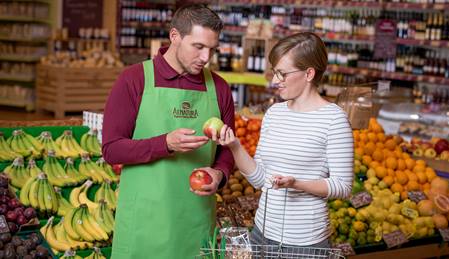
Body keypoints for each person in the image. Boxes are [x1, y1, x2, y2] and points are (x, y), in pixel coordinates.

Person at [102, 4, 235, 259]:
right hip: (144, 223)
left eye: (212, 49)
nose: (206, 57)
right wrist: (165, 144)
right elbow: (111, 149)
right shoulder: (134, 79)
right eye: (198, 47)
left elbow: (228, 149)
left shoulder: (219, 88)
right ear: (175, 36)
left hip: (195, 223)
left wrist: (220, 174)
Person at [218, 32, 353, 252]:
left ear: (309, 73)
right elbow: (260, 180)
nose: (274, 81)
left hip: (304, 244)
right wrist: (234, 146)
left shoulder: (334, 119)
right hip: (261, 234)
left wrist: (296, 183)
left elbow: (343, 186)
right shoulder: (274, 113)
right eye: (274, 72)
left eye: (282, 74)